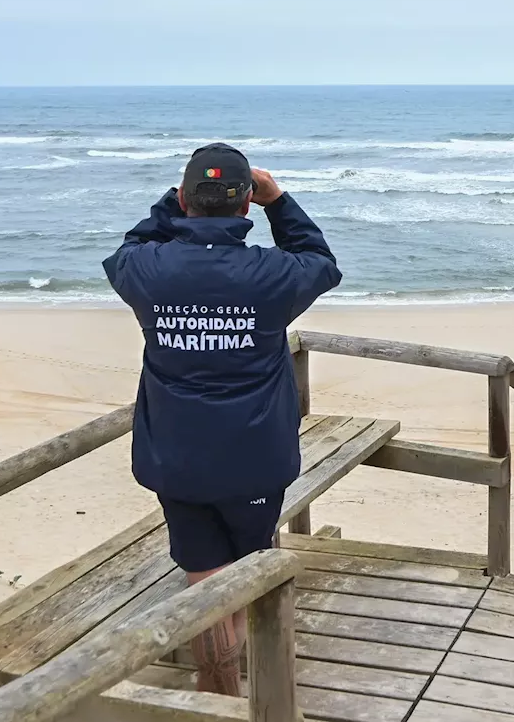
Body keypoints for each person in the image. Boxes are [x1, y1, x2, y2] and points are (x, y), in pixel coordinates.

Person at [103, 142, 340, 696]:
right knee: (245, 567)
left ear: (184, 200)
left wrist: (177, 201)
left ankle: (219, 687)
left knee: (203, 573)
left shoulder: (146, 269)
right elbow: (320, 262)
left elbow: (130, 246)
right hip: (254, 457)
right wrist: (279, 201)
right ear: (246, 207)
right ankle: (246, 677)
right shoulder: (272, 274)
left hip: (176, 454)